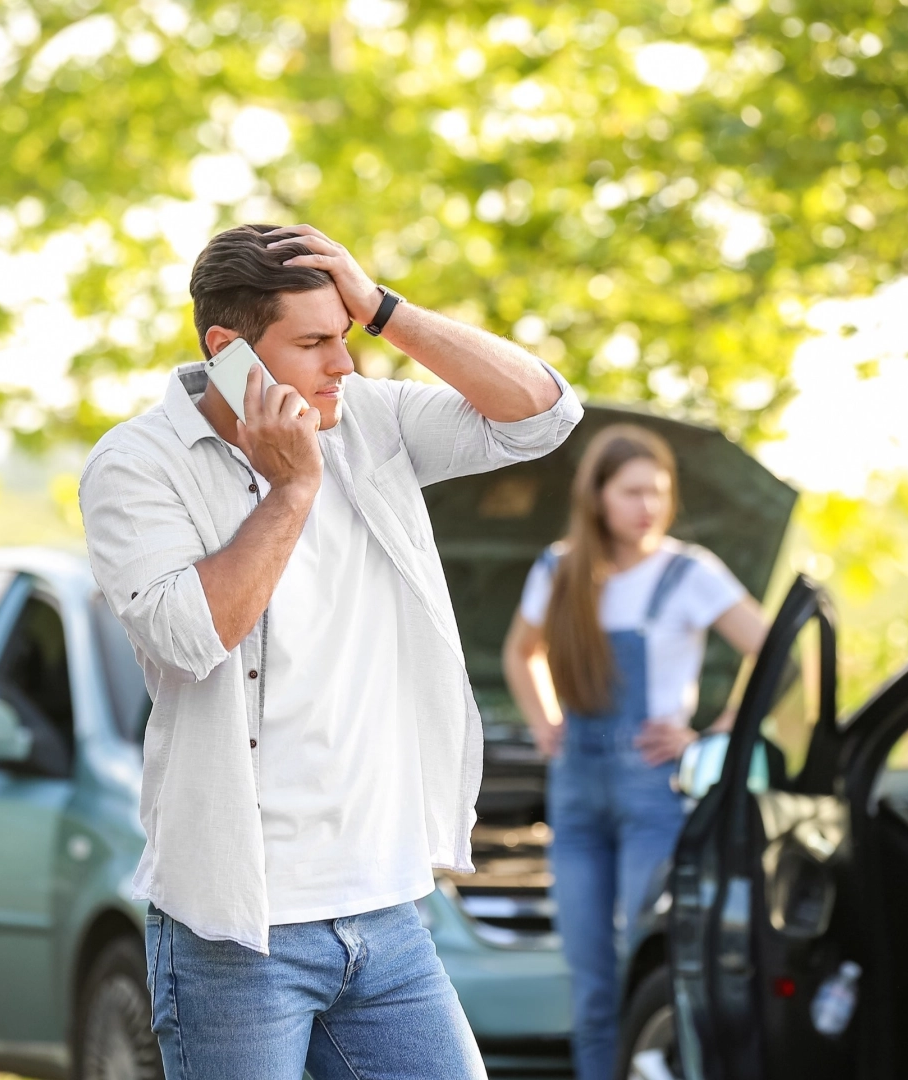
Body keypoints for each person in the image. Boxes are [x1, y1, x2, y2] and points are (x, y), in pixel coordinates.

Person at [80, 223, 583, 1080]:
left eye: (346, 335)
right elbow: (191, 636)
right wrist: (293, 488)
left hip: (386, 913)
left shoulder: (371, 420)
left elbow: (544, 415)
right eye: (314, 343)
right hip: (237, 931)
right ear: (227, 350)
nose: (343, 364)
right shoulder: (136, 464)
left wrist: (384, 309)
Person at [501, 424, 768, 1080]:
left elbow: (774, 652)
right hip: (576, 794)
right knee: (590, 977)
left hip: (655, 795)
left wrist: (714, 734)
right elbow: (521, 652)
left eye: (659, 492)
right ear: (597, 496)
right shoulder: (560, 568)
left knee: (643, 963)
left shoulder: (689, 573)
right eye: (632, 492)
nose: (648, 506)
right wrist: (545, 723)